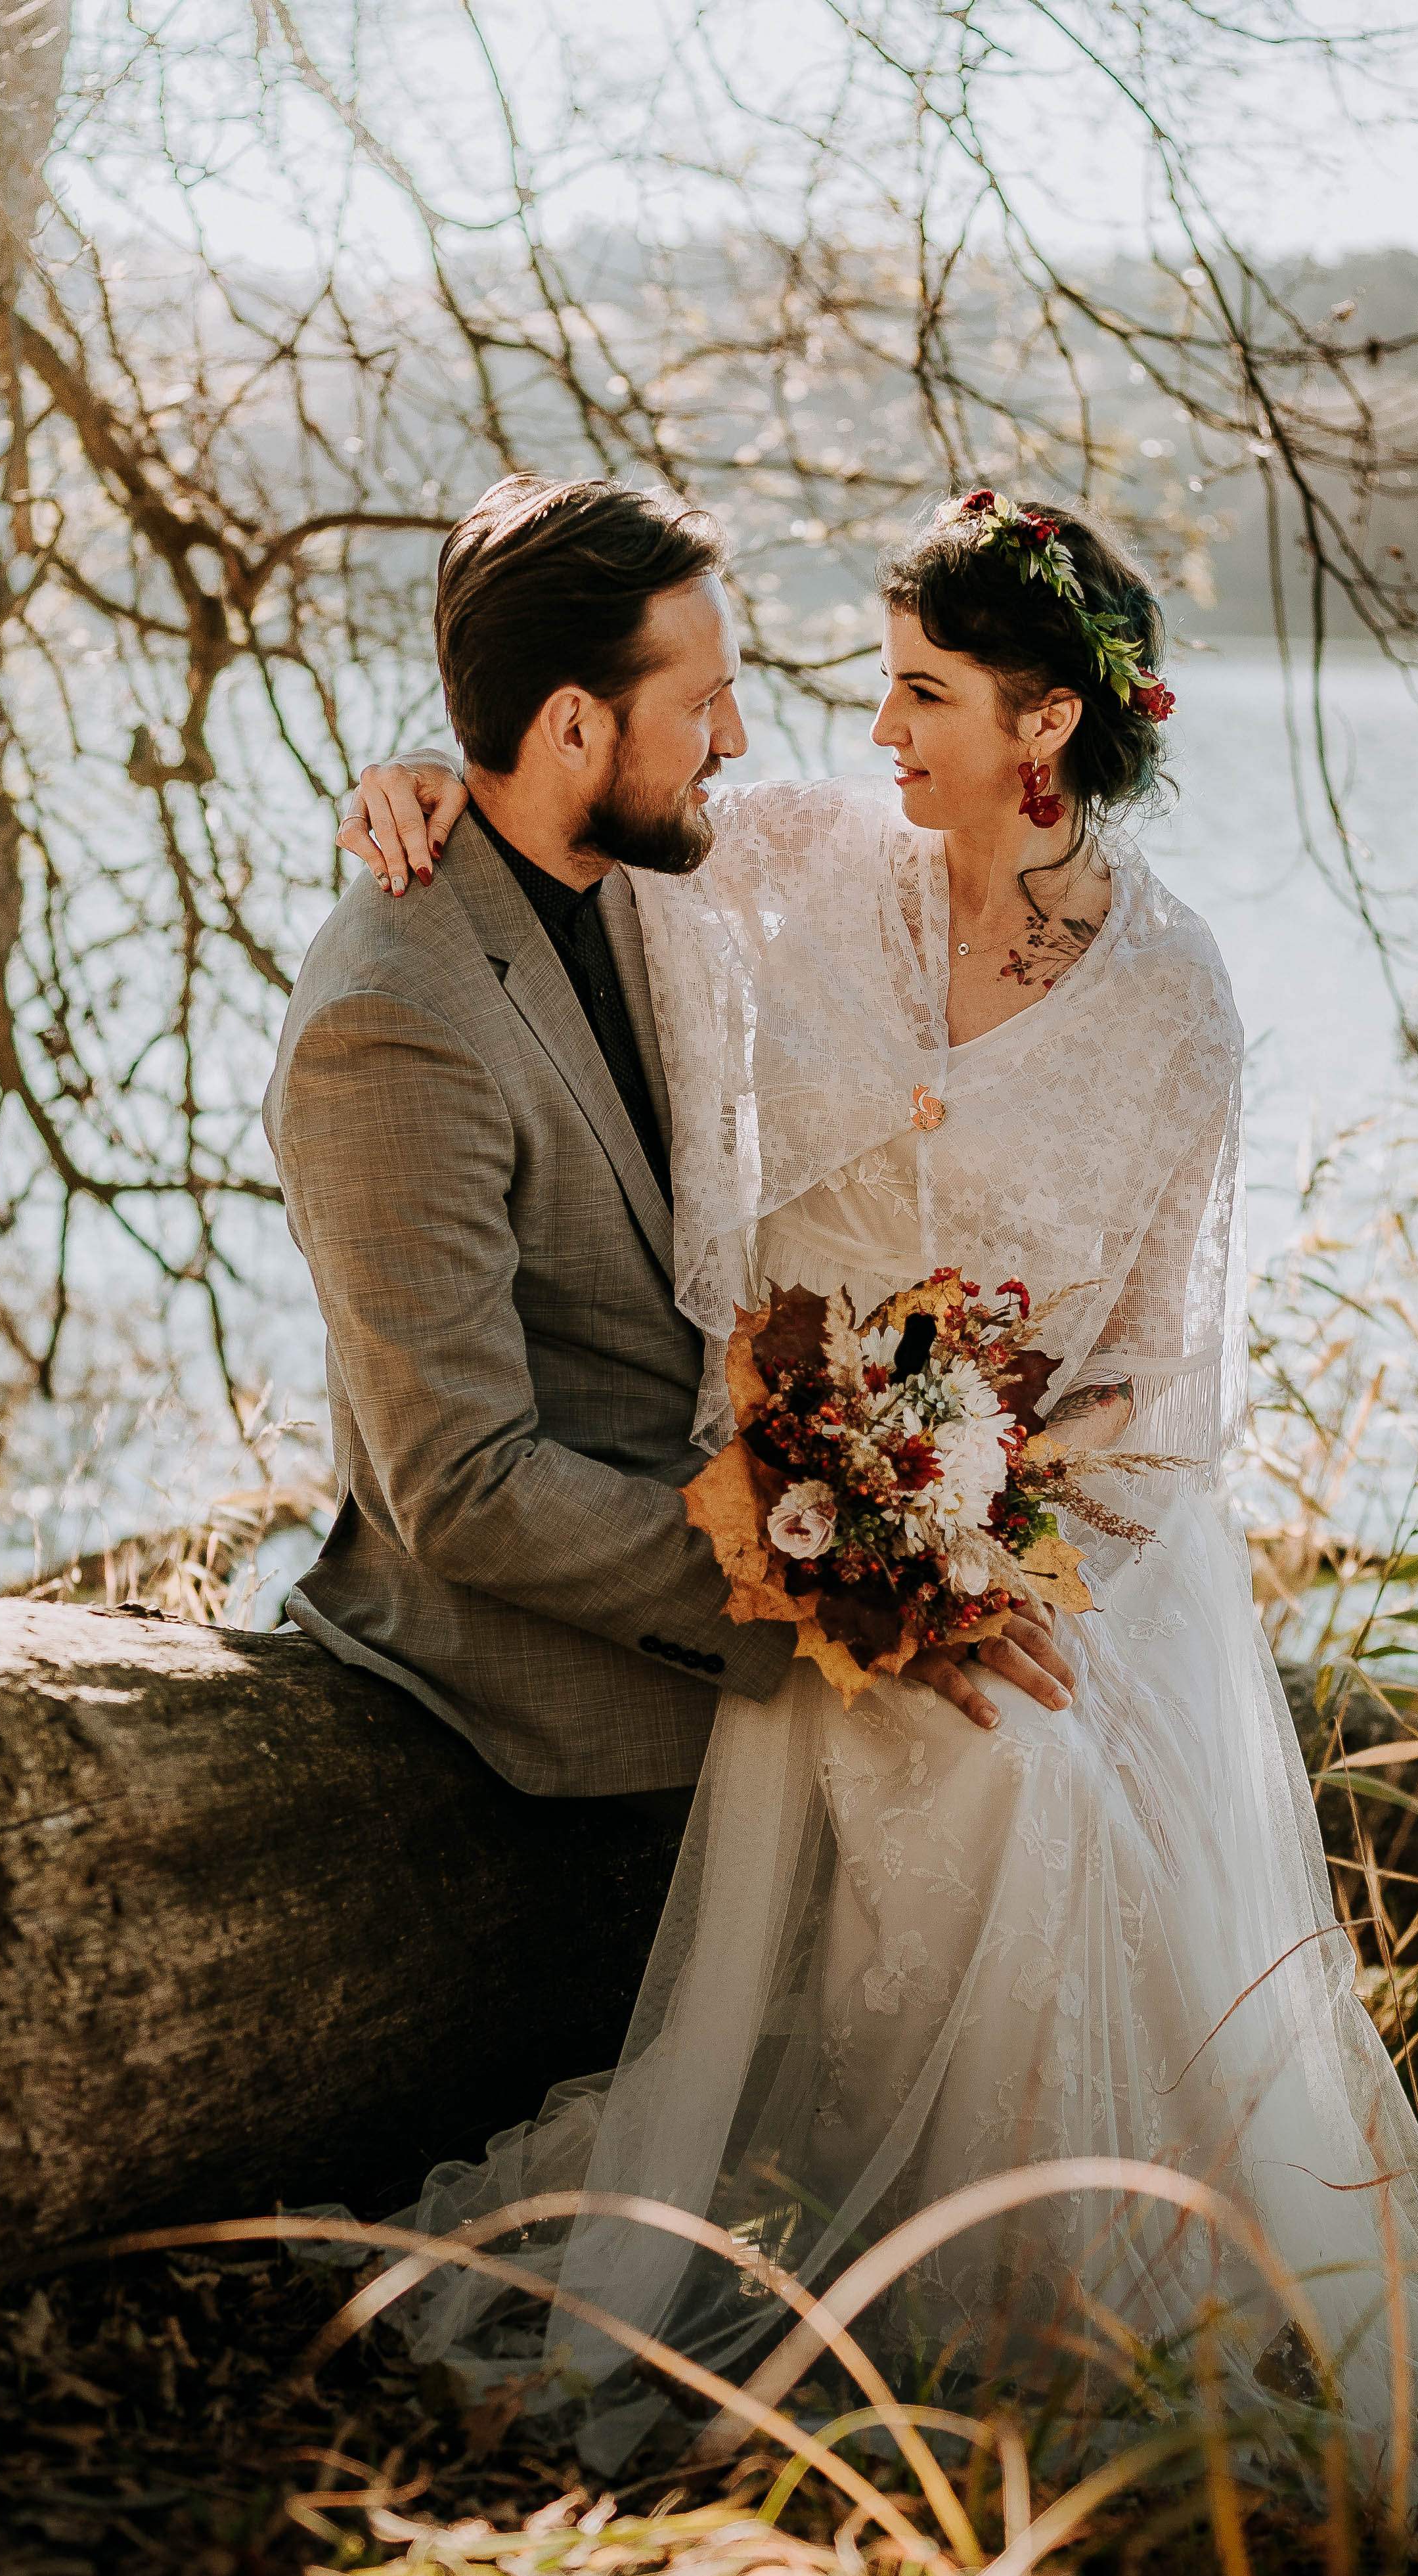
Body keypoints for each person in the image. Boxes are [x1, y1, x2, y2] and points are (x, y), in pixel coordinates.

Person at [319, 486, 1418, 2520]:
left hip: (1034, 1553)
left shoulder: (1174, 1004)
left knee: (1037, 1773)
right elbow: (577, 796)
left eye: (920, 691)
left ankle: (1062, 2320)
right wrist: (410, 777)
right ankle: (924, 2298)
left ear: (1046, 724)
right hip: (789, 1531)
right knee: (971, 1769)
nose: (870, 726)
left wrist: (978, 1552)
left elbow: (1159, 1391)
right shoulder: (810, 859)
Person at [265, 474, 1075, 1807]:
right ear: (573, 724)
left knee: (1051, 1762)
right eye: (704, 704)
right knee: (1000, 1786)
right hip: (548, 1707)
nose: (735, 739)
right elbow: (464, 1486)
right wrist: (852, 1584)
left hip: (725, 1603)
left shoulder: (638, 868)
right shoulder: (392, 1022)